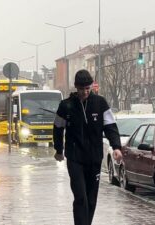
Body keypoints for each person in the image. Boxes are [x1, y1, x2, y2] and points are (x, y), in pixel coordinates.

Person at [53, 69, 122, 225]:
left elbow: (110, 126)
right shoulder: (66, 106)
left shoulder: (100, 103)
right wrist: (59, 150)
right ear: (76, 88)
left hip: (94, 158)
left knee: (91, 199)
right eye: (81, 89)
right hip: (75, 158)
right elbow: (58, 128)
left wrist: (116, 147)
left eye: (87, 89)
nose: (84, 92)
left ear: (91, 87)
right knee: (80, 197)